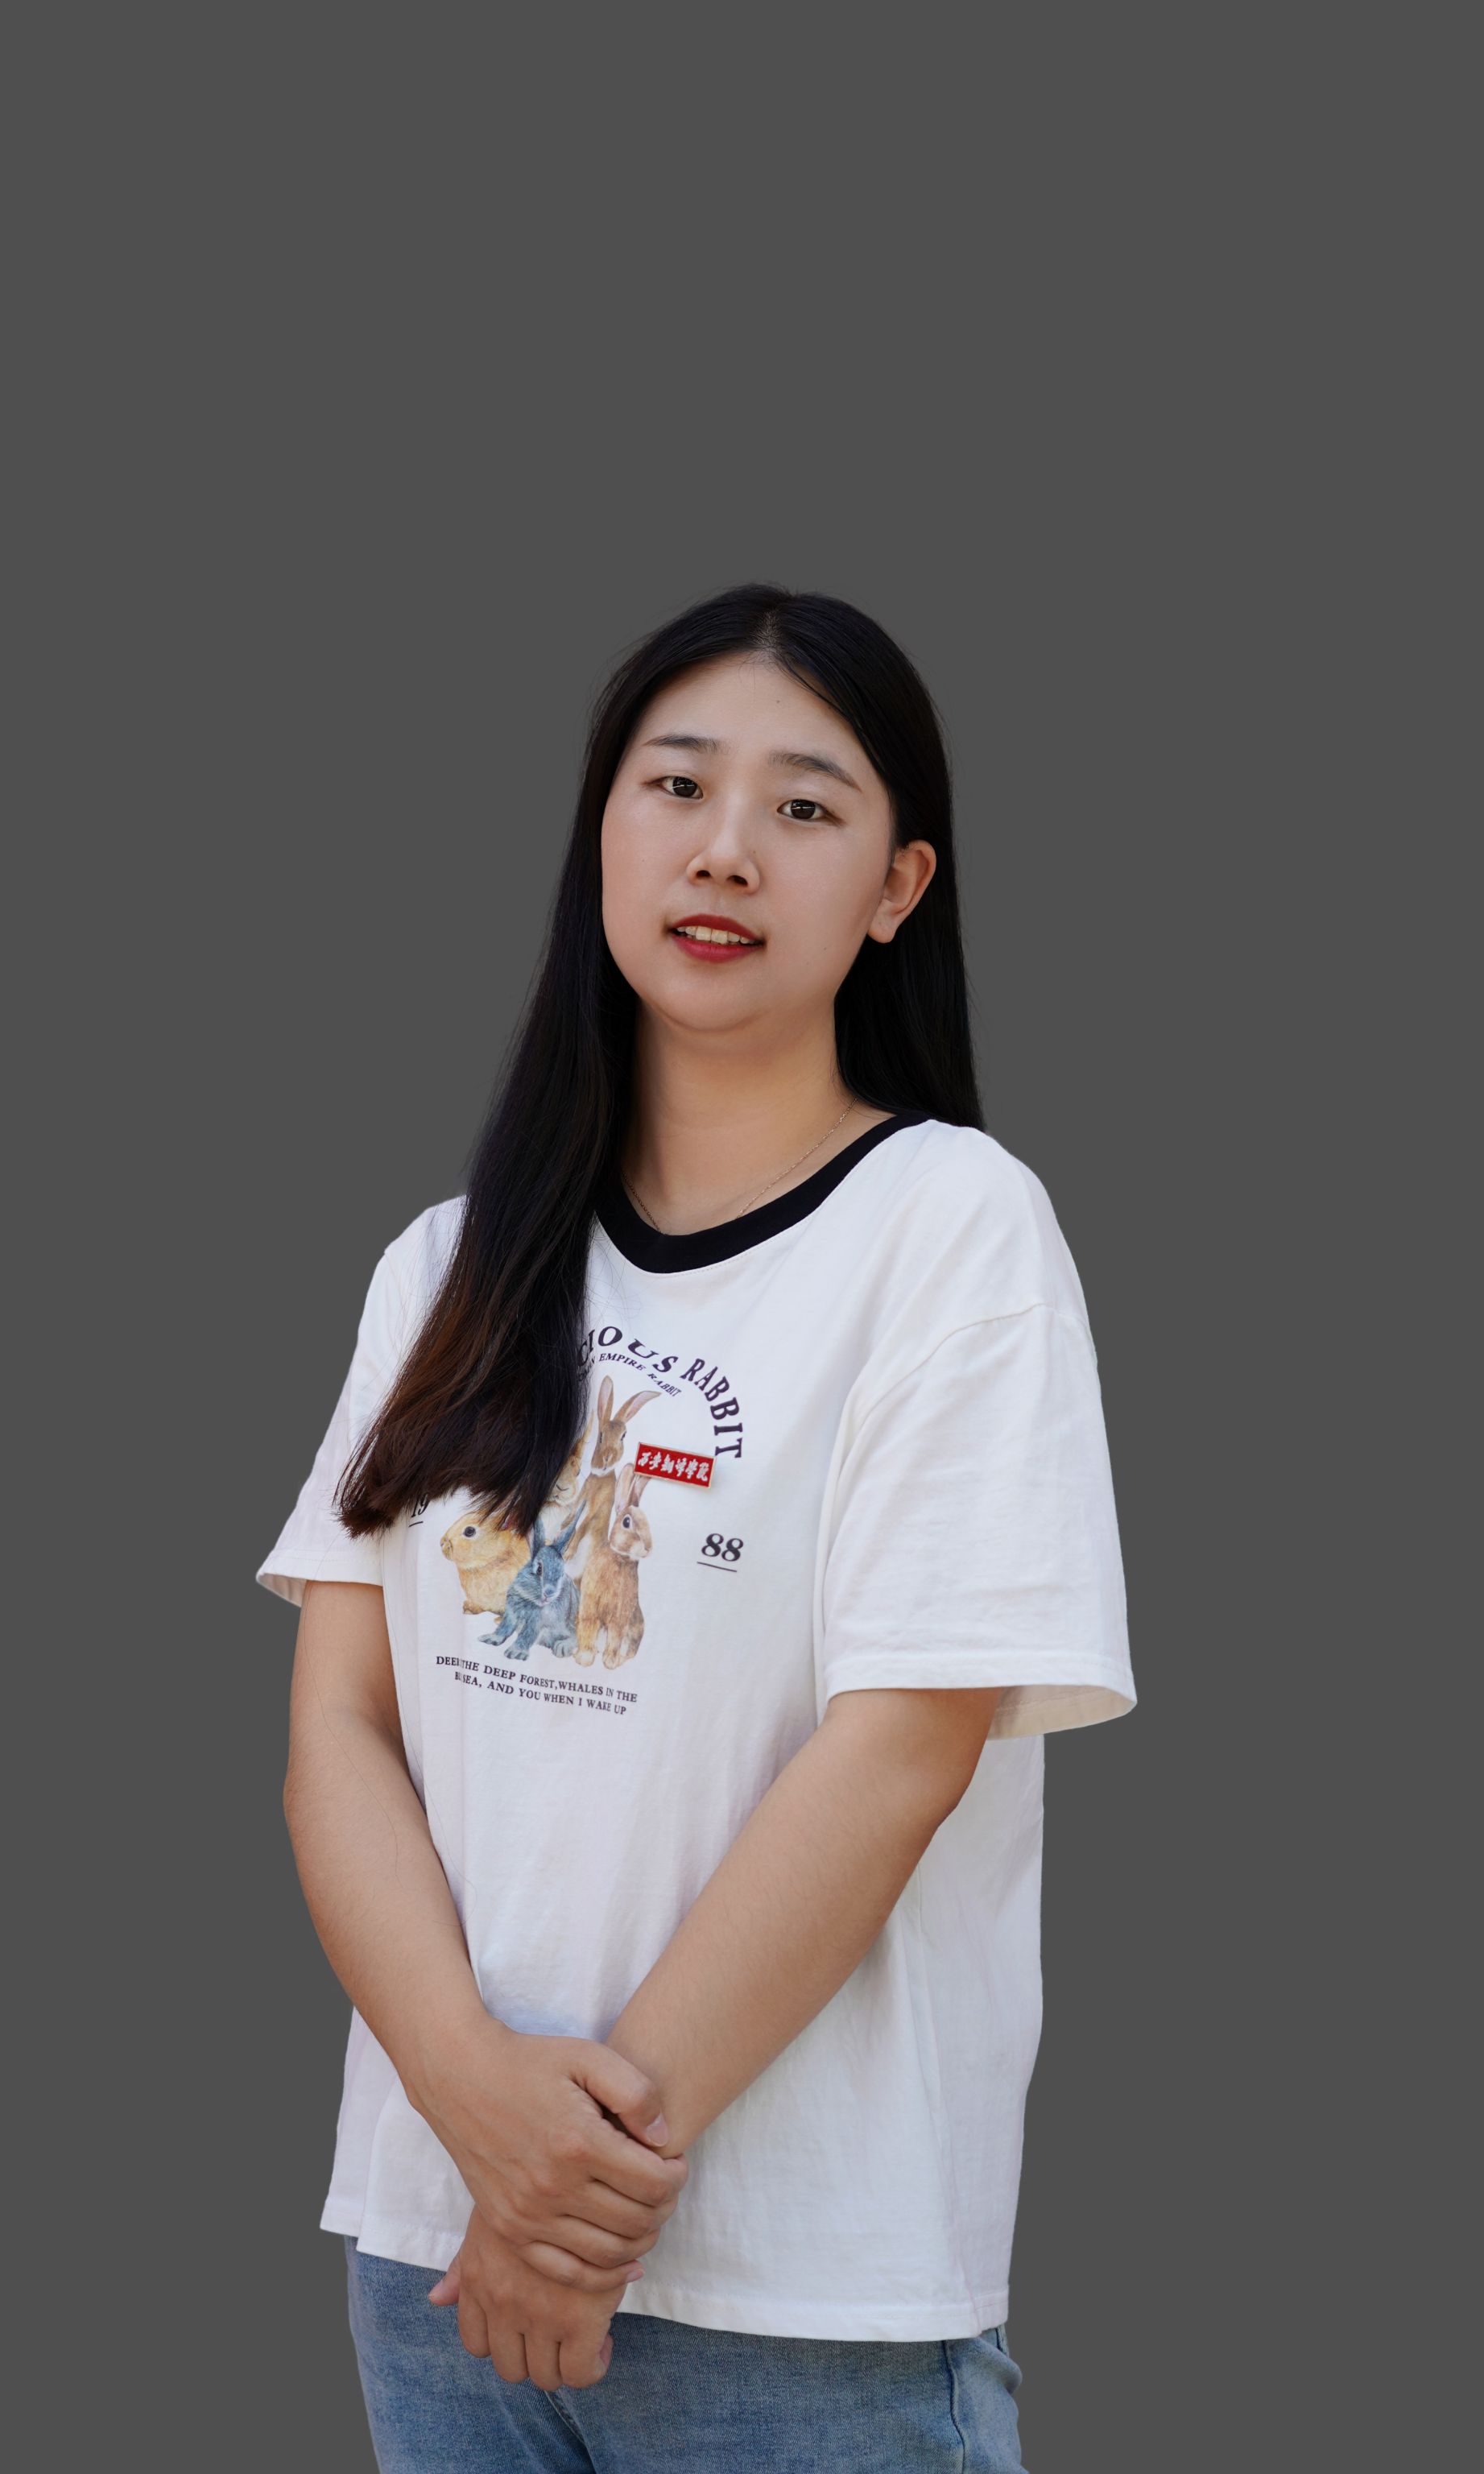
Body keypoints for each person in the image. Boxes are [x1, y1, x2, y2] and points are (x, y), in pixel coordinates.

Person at [256, 581, 1135, 2472]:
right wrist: (475, 2112)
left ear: (897, 887)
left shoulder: (949, 1230)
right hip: (429, 2258)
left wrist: (573, 2195)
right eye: (675, 786)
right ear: (603, 830)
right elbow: (338, 1727)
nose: (725, 848)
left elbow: (901, 1750)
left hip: (798, 2305)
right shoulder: (446, 1265)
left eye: (804, 807)